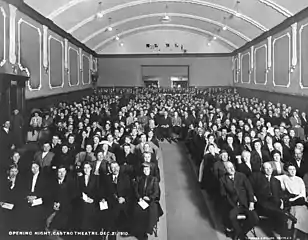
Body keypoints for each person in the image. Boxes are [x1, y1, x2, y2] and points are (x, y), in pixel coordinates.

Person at [249, 162, 297, 230]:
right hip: (262, 202)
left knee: (280, 214)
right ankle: (285, 213)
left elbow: (280, 193)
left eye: (270, 168)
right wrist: (253, 196)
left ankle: (282, 233)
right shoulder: (256, 178)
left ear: (272, 169)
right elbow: (249, 188)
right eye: (266, 168)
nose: (269, 170)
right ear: (262, 169)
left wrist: (282, 200)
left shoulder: (276, 180)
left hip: (274, 202)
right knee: (267, 205)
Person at [220, 161, 259, 240]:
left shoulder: (241, 176)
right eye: (229, 168)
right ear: (225, 170)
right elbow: (223, 195)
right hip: (233, 205)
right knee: (231, 217)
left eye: (232, 167)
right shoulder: (222, 179)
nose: (232, 169)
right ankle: (241, 235)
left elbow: (249, 190)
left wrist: (251, 202)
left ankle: (241, 233)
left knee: (255, 219)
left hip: (246, 203)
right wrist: (231, 204)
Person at [130, 163, 163, 240]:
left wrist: (149, 198)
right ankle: (140, 231)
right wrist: (139, 197)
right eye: (144, 169)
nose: (146, 171)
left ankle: (147, 230)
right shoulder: (139, 178)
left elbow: (156, 192)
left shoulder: (154, 179)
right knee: (137, 211)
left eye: (147, 169)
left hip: (151, 201)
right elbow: (136, 190)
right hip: (141, 200)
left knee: (149, 212)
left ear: (150, 170)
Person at [279, 163, 308, 238]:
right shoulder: (284, 177)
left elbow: (303, 194)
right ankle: (294, 234)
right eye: (290, 169)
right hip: (290, 200)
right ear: (287, 171)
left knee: (301, 208)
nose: (292, 171)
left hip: (298, 199)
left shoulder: (299, 179)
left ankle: (297, 233)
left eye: (294, 169)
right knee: (296, 210)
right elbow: (273, 177)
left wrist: (293, 199)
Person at [46, 165, 77, 231]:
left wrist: (60, 203)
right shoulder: (52, 181)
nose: (62, 174)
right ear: (57, 173)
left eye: (63, 171)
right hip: (53, 206)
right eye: (60, 172)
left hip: (66, 206)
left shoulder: (71, 181)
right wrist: (54, 203)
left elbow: (72, 196)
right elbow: (50, 195)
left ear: (66, 172)